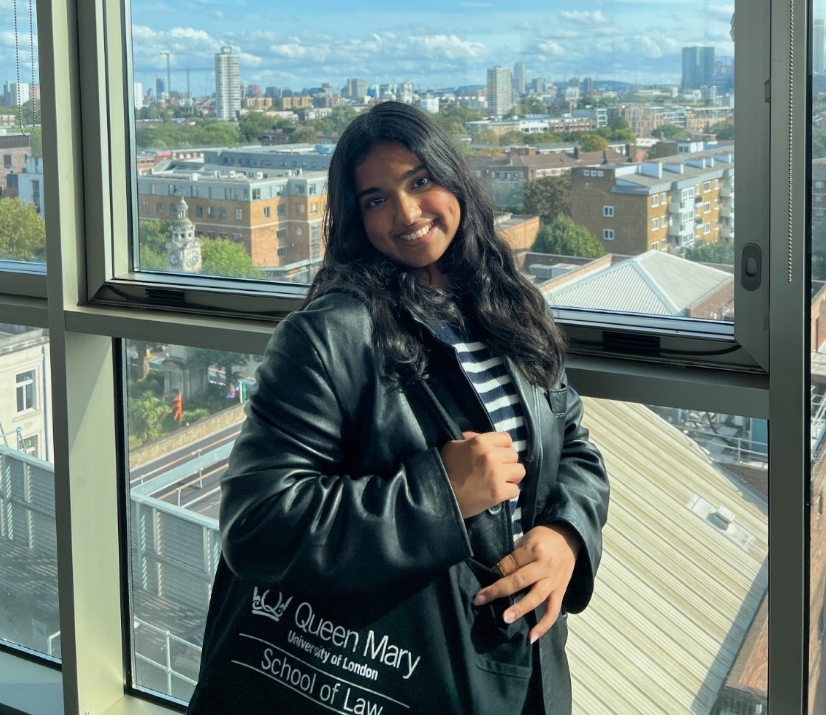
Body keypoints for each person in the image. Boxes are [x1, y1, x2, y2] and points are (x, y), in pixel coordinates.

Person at [187, 101, 609, 715]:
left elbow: (574, 444)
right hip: (400, 670)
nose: (407, 213)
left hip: (522, 659)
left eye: (419, 181)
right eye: (377, 199)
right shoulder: (330, 335)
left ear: (454, 179)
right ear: (357, 218)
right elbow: (258, 525)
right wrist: (440, 493)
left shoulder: (508, 306)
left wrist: (567, 535)